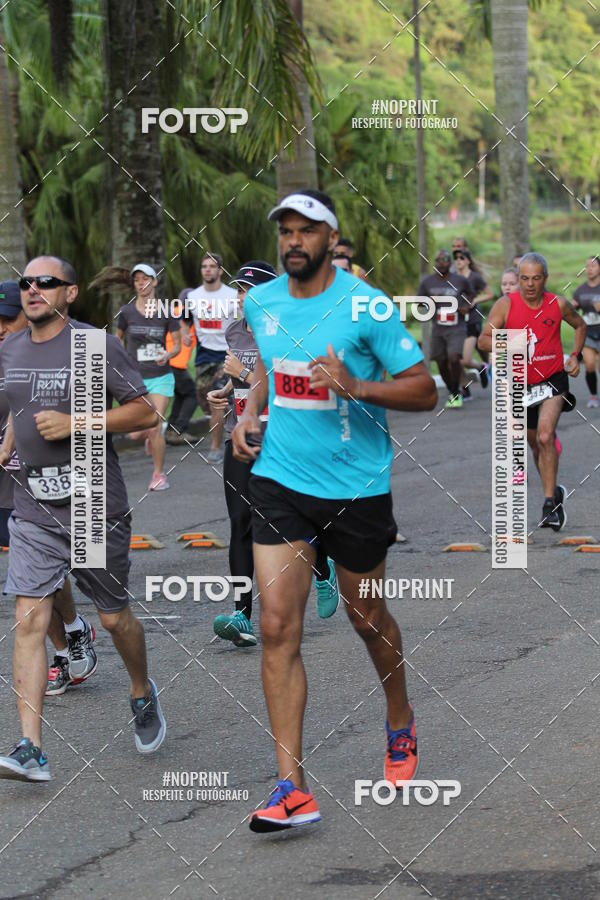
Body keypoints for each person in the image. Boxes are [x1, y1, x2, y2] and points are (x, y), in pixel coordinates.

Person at [232, 189, 437, 831]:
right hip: (280, 481)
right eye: (285, 231)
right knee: (275, 624)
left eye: (306, 230)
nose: (293, 241)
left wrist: (358, 386)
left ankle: (399, 717)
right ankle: (291, 789)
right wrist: (248, 412)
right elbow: (268, 368)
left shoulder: (367, 305)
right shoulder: (261, 302)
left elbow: (424, 390)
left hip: (355, 487)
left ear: (330, 236)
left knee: (366, 617)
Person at [0, 256, 166, 782]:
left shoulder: (94, 345)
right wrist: (9, 440)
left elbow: (146, 411)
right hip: (34, 507)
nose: (33, 289)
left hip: (93, 503)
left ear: (69, 293)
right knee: (29, 619)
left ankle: (140, 689)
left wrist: (77, 422)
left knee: (114, 619)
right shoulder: (10, 349)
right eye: (27, 282)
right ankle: (31, 747)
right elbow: (17, 403)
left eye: (47, 282)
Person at [209, 261, 340, 648]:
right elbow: (240, 382)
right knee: (240, 523)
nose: (242, 296)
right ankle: (241, 615)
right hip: (241, 435)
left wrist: (244, 375)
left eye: (249, 290)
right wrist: (225, 391)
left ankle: (322, 568)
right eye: (239, 289)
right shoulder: (234, 331)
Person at [0, 281, 98, 698]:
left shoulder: (60, 354)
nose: (0, 328)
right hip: (7, 484)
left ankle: (69, 638)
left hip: (52, 481)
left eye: (7, 319)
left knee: (49, 573)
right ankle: (69, 638)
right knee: (35, 578)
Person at [479, 252, 586, 530]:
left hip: (553, 380)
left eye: (536, 278)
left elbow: (580, 325)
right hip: (520, 385)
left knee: (545, 435)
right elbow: (483, 341)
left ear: (545, 278)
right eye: (524, 278)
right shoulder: (505, 305)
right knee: (536, 446)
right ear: (518, 279)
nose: (529, 284)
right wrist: (512, 342)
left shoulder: (557, 304)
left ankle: (549, 505)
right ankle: (555, 492)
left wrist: (575, 356)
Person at [114, 264, 181, 490]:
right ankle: (152, 436)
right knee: (135, 435)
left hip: (161, 376)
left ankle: (159, 475)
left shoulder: (167, 311)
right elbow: (116, 340)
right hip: (135, 379)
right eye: (137, 280)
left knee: (153, 426)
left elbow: (177, 345)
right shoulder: (126, 312)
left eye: (145, 279)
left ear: (154, 281)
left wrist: (168, 354)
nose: (141, 283)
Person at [184, 253, 238, 463]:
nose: (207, 269)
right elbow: (185, 319)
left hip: (227, 354)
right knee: (206, 401)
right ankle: (228, 426)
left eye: (212, 266)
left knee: (218, 401)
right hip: (204, 355)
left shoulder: (232, 295)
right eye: (204, 266)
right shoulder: (193, 296)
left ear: (220, 271)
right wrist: (186, 334)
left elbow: (245, 318)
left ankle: (217, 447)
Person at [418, 249, 474, 409]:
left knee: (454, 358)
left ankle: (456, 392)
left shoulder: (460, 280)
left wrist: (465, 307)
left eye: (445, 260)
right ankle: (453, 390)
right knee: (441, 361)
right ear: (435, 263)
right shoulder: (428, 282)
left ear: (450, 263)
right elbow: (419, 301)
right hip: (438, 327)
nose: (442, 263)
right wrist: (429, 301)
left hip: (457, 326)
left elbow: (471, 294)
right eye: (439, 260)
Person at [453, 248, 493, 400]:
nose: (458, 261)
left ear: (468, 261)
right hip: (456, 322)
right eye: (456, 258)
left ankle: (481, 367)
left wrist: (475, 300)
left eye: (461, 258)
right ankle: (465, 389)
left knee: (465, 360)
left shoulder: (474, 277)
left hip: (472, 321)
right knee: (454, 359)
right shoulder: (453, 277)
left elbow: (489, 294)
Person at [165, 289, 198, 444]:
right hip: (175, 363)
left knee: (181, 394)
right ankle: (177, 430)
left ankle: (171, 430)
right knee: (193, 394)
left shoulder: (172, 312)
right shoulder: (188, 313)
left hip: (167, 361)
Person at [572, 255, 600, 408]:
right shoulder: (580, 290)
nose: (589, 269)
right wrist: (572, 307)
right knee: (589, 365)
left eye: (593, 266)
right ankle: (593, 397)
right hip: (588, 332)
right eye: (587, 266)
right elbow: (573, 307)